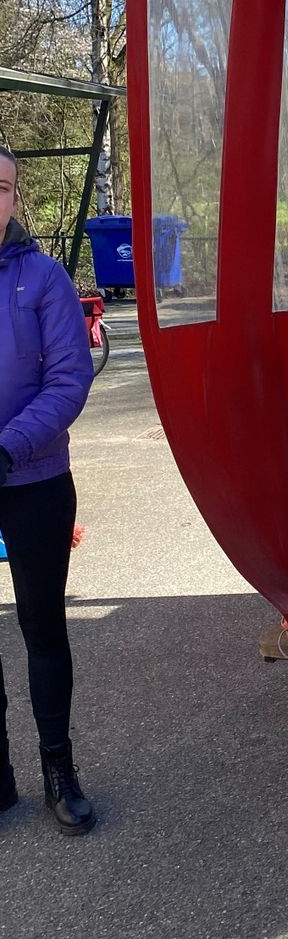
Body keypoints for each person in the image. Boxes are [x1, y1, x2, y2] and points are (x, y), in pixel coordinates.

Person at [0, 143, 95, 833]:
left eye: (0, 186)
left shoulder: (45, 278)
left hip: (32, 481)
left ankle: (58, 768)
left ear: (14, 196)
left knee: (42, 630)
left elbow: (69, 380)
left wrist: (7, 445)